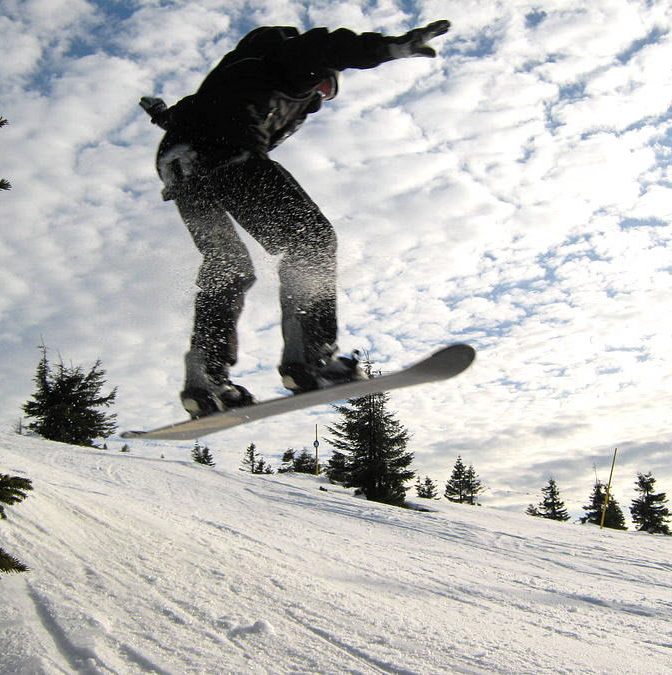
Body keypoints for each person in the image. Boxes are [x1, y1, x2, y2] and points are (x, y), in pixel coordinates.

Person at [141, 20, 451, 419]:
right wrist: (387, 49)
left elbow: (192, 111)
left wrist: (161, 115)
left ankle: (207, 378)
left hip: (179, 165)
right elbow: (324, 48)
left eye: (328, 94)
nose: (321, 96)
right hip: (227, 153)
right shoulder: (290, 59)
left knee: (228, 267)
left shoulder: (238, 70)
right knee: (311, 239)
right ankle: (311, 359)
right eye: (326, 86)